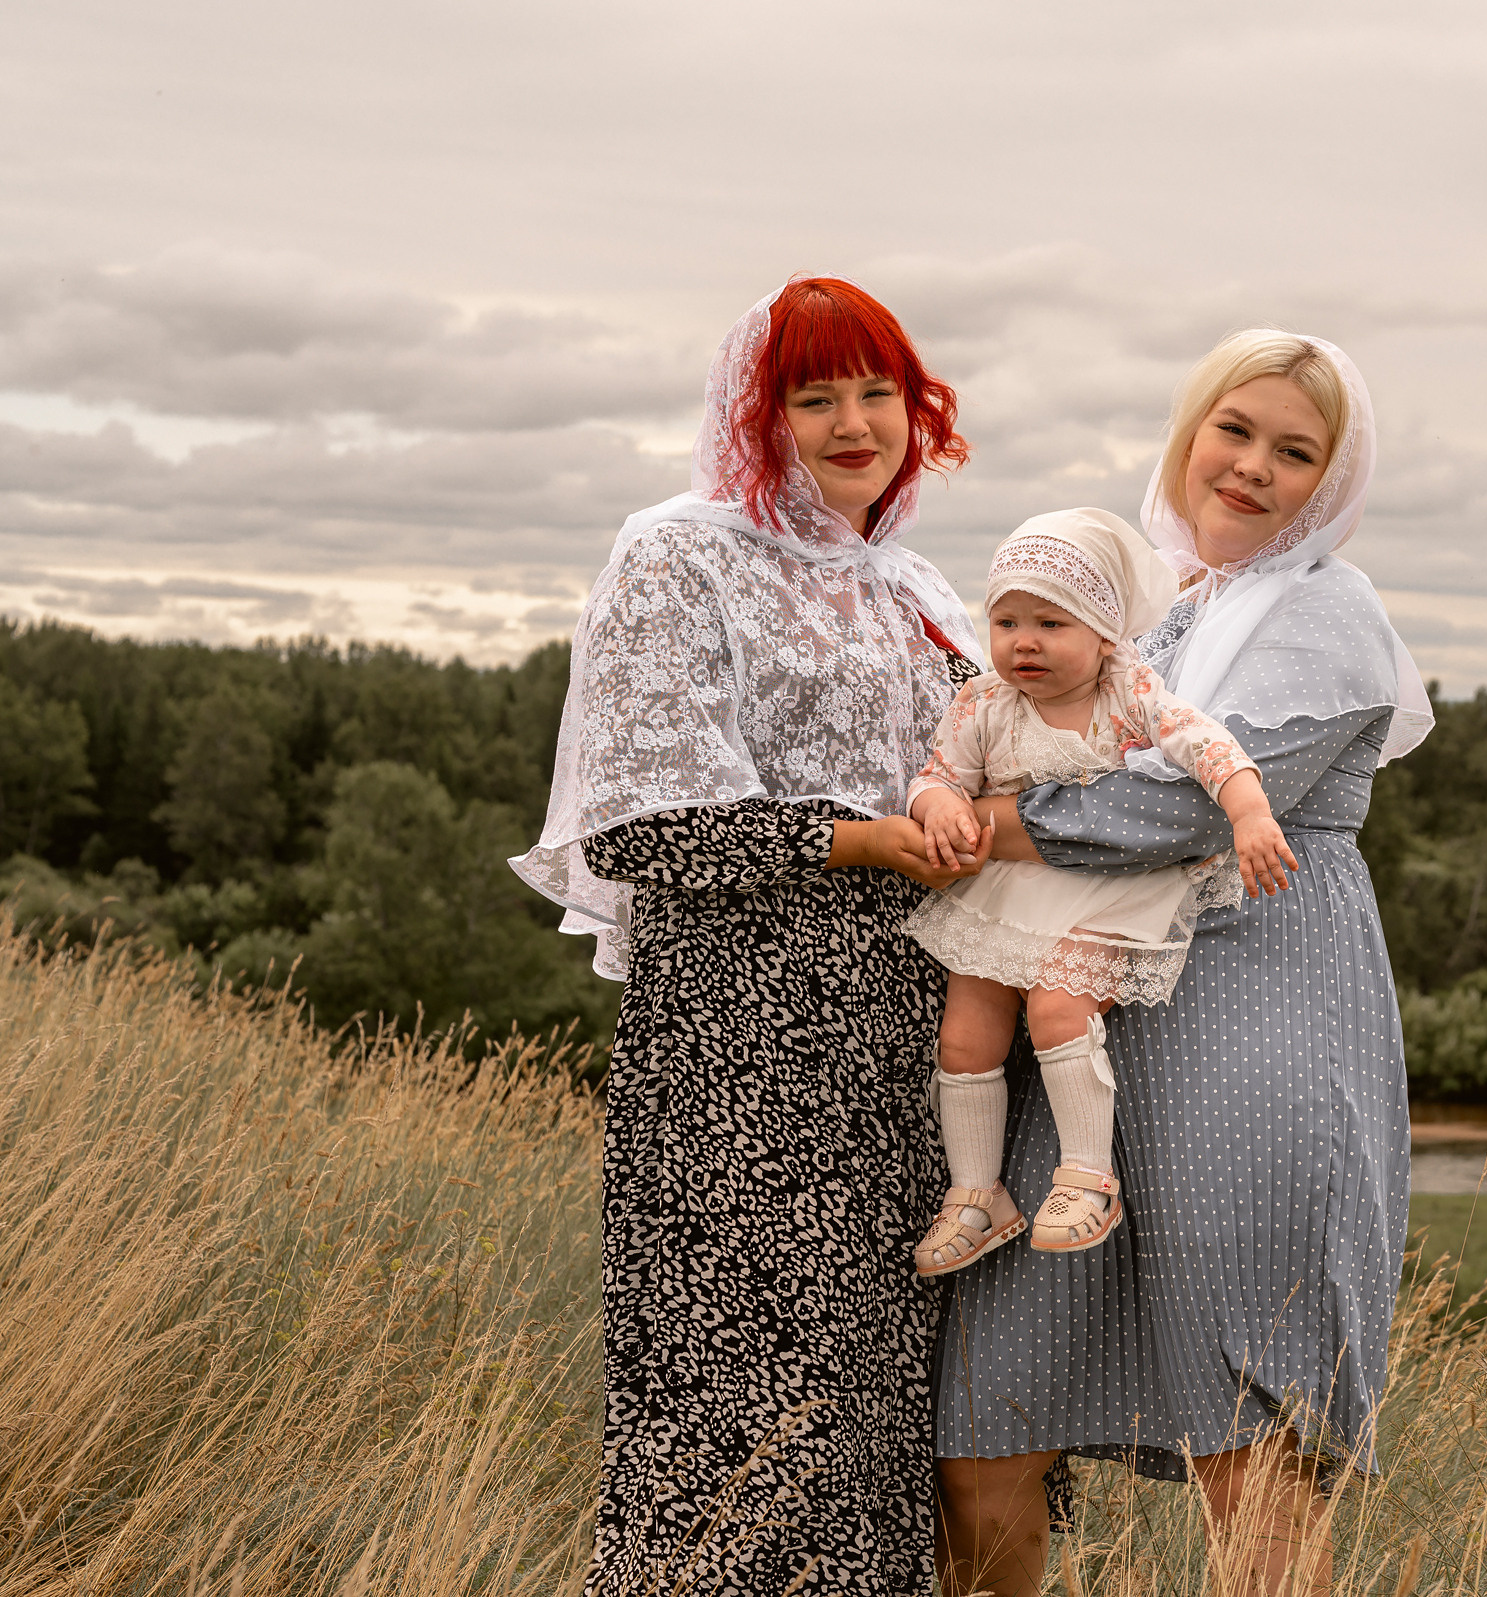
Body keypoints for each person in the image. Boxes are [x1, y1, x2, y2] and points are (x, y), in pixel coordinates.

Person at [933, 330, 1433, 1596]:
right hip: (1088, 1011)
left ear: (1330, 481)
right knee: (990, 1412)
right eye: (1235, 430)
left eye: (1295, 451)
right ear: (1191, 431)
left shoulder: (1329, 611)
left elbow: (1185, 810)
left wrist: (949, 832)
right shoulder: (1144, 599)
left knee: (1242, 1429)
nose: (1254, 467)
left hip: (1253, 1018)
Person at [511, 276, 989, 1594]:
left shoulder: (915, 585)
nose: (853, 421)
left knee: (876, 1432)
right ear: (754, 415)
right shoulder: (680, 551)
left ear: (917, 407)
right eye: (813, 394)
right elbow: (642, 827)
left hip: (905, 1060)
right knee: (732, 1427)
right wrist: (871, 835)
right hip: (741, 1060)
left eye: (877, 390)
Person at [905, 507, 1299, 1277]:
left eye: (1051, 622)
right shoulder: (983, 703)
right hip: (1008, 888)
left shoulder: (1130, 692)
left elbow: (1206, 741)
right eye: (1007, 620)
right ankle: (977, 1193)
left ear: (1104, 633)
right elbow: (939, 775)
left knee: (1058, 1002)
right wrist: (939, 806)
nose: (1024, 641)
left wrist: (1248, 809)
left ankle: (1088, 1175)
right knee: (965, 1032)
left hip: (1101, 882)